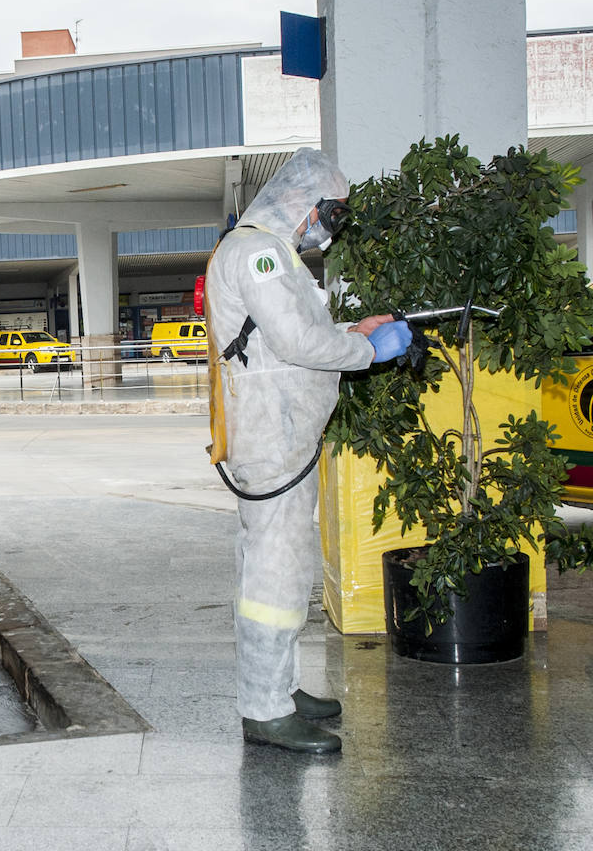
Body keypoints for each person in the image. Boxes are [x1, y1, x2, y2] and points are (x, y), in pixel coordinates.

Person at [205, 147, 411, 754]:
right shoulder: (260, 253)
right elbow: (296, 343)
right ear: (302, 201)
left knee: (284, 564)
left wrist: (355, 332)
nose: (331, 224)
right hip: (271, 441)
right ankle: (265, 709)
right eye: (330, 211)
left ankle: (280, 687)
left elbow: (292, 337)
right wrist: (370, 353)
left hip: (287, 435)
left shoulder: (274, 255)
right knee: (275, 570)